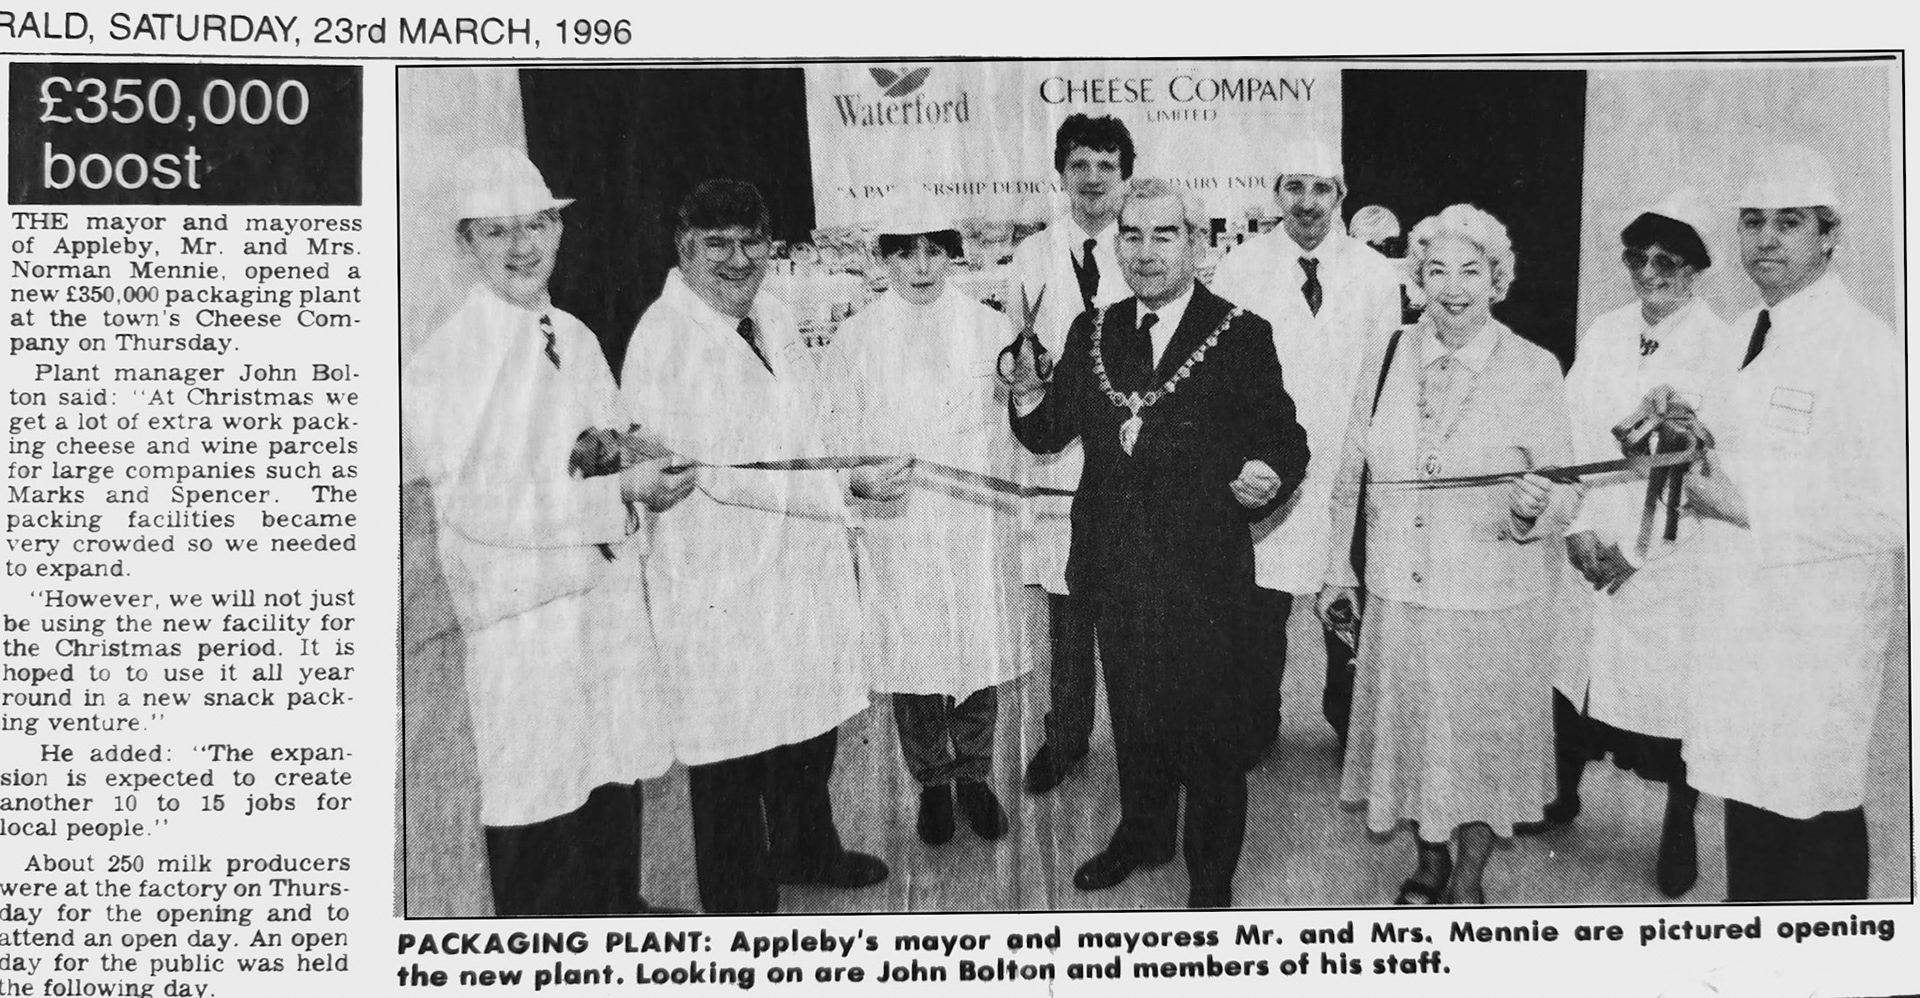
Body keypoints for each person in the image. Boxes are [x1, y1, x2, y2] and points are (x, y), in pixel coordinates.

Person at [402, 146, 696, 915]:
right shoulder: (447, 360)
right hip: (523, 617)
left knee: (611, 762)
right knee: (537, 789)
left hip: (600, 593)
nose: (522, 246)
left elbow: (600, 433)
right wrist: (617, 494)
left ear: (559, 231)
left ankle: (620, 909)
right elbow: (479, 504)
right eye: (497, 231)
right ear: (465, 243)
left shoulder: (574, 332)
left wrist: (641, 449)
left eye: (535, 224)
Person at [1006, 177, 1309, 908]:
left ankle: (1211, 875)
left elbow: (1285, 438)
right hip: (1113, 568)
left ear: (1196, 245)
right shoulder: (1092, 331)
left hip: (1205, 576)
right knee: (1136, 721)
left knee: (1208, 732)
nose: (1145, 252)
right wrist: (1025, 391)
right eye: (1132, 236)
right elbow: (1048, 433)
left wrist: (1270, 473)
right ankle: (1143, 835)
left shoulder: (1241, 333)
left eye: (1163, 235)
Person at [620, 179, 898, 913]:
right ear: (685, 250)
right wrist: (844, 488)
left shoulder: (770, 313)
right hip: (720, 577)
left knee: (807, 723)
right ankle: (738, 899)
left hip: (797, 564)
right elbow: (716, 469)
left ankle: (806, 848)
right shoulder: (662, 340)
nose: (738, 260)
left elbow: (808, 421)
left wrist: (849, 464)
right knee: (732, 748)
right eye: (718, 245)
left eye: (751, 242)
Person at [1316, 204, 1579, 905]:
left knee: (1480, 745)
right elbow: (1351, 471)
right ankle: (1428, 859)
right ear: (1418, 280)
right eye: (1437, 271)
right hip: (1400, 591)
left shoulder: (1534, 367)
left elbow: (1566, 491)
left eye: (1471, 271)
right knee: (1412, 737)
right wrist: (1337, 569)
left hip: (1492, 598)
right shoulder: (1386, 354)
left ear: (1498, 280)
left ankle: (1468, 875)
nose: (1453, 288)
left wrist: (1534, 508)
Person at [1675, 145, 1903, 902]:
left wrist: (1746, 507)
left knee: (1812, 813)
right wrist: (1685, 436)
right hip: (1740, 623)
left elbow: (1892, 510)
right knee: (1749, 805)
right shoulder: (1747, 329)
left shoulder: (1867, 347)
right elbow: (1738, 447)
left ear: (1830, 235)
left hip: (1814, 636)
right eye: (1752, 221)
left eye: (1790, 222)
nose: (1766, 239)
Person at [1547, 190, 1737, 898]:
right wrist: (1576, 527)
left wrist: (1637, 552)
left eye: (1667, 261)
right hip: (1590, 536)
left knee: (1668, 703)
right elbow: (1567, 429)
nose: (1649, 274)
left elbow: (1705, 471)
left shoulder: (1721, 348)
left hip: (1667, 561)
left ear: (1695, 268)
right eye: (1637, 258)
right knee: (1574, 679)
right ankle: (1562, 792)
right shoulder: (1605, 330)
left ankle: (1678, 826)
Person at [828, 193, 1027, 845]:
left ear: (952, 255)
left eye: (934, 251)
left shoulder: (990, 329)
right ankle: (933, 781)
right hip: (901, 524)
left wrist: (1032, 385)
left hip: (971, 524)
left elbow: (1017, 420)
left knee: (976, 649)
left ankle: (974, 773)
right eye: (906, 253)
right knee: (911, 658)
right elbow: (837, 435)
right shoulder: (855, 339)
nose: (920, 267)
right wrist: (857, 486)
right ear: (883, 259)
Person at [1211, 140, 1403, 750]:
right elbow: (1225, 374)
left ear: (1340, 195)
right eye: (1294, 186)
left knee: (1345, 595)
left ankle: (1349, 721)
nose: (1308, 202)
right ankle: (1255, 720)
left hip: (1350, 460)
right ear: (1276, 194)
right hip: (1268, 465)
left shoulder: (1375, 274)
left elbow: (1387, 375)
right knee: (1259, 605)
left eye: (1321, 188)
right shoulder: (1240, 267)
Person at [1008, 114, 1136, 794]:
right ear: (1060, 174)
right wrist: (1027, 376)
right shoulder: (1032, 256)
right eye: (1079, 165)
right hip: (1059, 457)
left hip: (1130, 455)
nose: (1091, 179)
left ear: (1126, 177)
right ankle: (1066, 736)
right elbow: (1017, 354)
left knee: (1136, 606)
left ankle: (1144, 738)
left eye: (1105, 166)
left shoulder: (1141, 247)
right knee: (1067, 610)